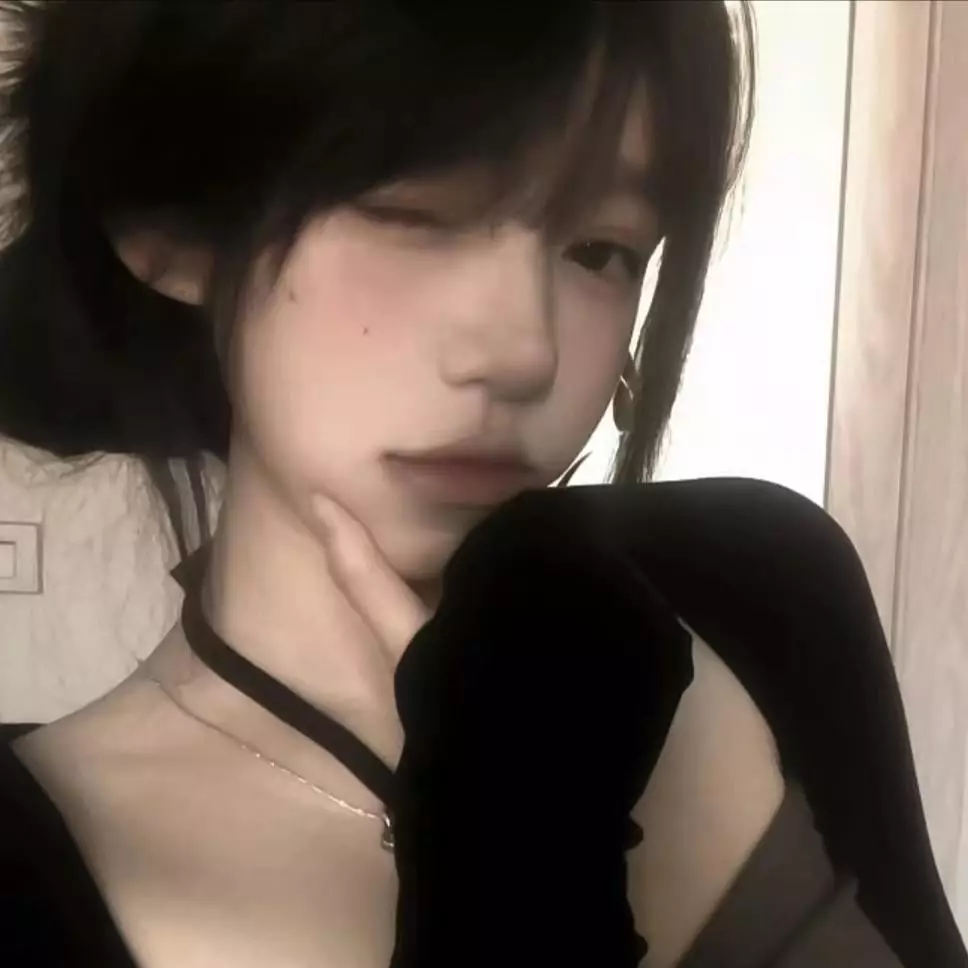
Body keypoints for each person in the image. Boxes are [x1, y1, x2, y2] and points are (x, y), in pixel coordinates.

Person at [0, 2, 962, 966]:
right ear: (177, 230)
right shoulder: (39, 863)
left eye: (600, 249)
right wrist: (516, 881)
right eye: (411, 213)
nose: (524, 350)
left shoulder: (751, 597)